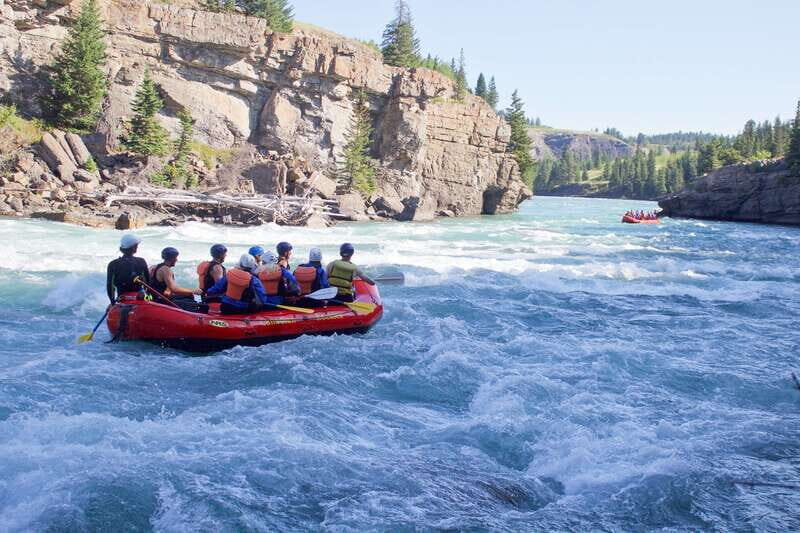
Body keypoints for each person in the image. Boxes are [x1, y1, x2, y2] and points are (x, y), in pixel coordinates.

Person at [106, 234, 149, 304]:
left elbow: (110, 286)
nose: (137, 247)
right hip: (140, 297)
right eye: (136, 245)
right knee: (150, 297)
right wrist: (147, 296)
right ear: (134, 248)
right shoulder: (141, 261)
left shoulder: (113, 264)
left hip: (121, 298)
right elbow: (147, 283)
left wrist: (112, 302)